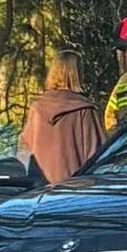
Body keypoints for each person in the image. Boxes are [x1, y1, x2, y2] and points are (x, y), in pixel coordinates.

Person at [18, 50, 106, 184]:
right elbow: (97, 156)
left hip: (38, 192)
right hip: (74, 193)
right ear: (78, 75)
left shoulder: (36, 109)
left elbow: (23, 154)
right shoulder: (84, 109)